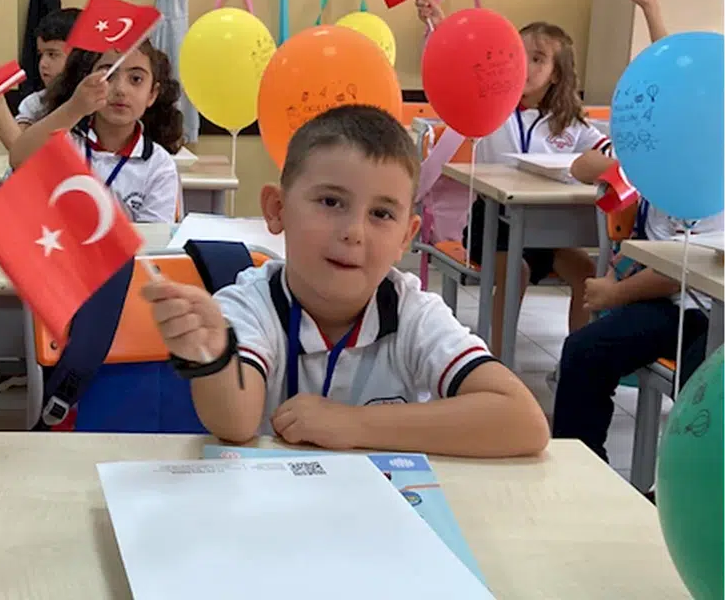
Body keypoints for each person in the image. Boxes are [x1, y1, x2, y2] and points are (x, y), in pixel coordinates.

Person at [142, 106, 549, 456]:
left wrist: (353, 424)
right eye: (331, 202)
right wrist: (213, 357)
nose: (354, 232)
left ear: (405, 238)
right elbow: (236, 423)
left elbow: (524, 422)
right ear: (277, 209)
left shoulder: (412, 313)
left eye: (381, 214)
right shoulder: (251, 303)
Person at [552, 0, 724, 462]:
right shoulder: (661, 154)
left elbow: (693, 262)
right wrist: (619, 165)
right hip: (670, 305)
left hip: (708, 311)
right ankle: (579, 468)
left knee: (703, 392)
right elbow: (670, 83)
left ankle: (678, 486)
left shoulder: (712, 168)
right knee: (585, 352)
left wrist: (616, 294)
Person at [417, 0, 611, 354]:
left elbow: (607, 150)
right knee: (514, 273)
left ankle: (574, 357)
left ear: (556, 74)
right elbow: (463, 64)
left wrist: (598, 163)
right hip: (492, 223)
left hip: (547, 228)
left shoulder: (569, 122)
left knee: (586, 273)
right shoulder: (494, 107)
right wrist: (440, 24)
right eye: (518, 56)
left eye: (537, 59)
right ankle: (498, 356)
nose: (524, 66)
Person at [10, 40, 184, 223]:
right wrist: (74, 108)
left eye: (136, 79)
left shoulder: (159, 166)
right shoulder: (67, 142)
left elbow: (154, 237)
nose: (120, 89)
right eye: (108, 75)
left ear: (152, 94)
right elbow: (18, 158)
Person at [16, 8, 80, 128]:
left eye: (52, 54)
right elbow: (18, 139)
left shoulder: (103, 100)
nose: (43, 64)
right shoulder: (36, 103)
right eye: (41, 54)